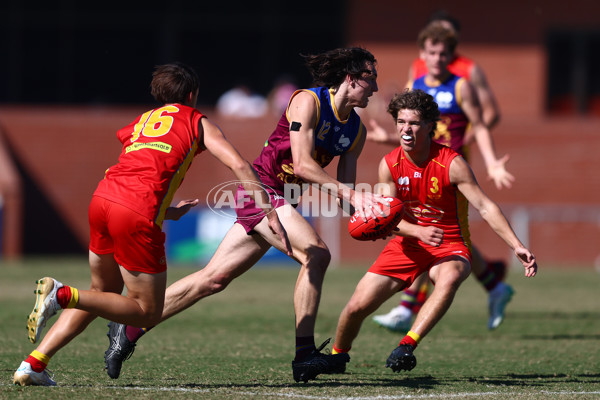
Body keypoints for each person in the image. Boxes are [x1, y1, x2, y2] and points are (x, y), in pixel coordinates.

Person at [103, 47, 386, 383]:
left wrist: (379, 217)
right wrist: (351, 194)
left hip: (286, 202)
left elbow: (345, 193)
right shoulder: (307, 101)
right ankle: (304, 355)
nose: (376, 88)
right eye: (371, 79)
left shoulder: (356, 131)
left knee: (212, 280)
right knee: (317, 255)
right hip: (261, 191)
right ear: (351, 79)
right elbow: (303, 165)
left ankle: (128, 327)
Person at [13, 62, 290, 386]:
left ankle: (33, 364)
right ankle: (60, 295)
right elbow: (239, 165)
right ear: (192, 94)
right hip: (135, 212)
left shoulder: (142, 121)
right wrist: (268, 209)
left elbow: (138, 167)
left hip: (102, 201)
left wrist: (165, 211)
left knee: (103, 292)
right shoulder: (197, 121)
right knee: (146, 311)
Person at [331, 89, 537, 374]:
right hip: (406, 245)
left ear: (430, 126)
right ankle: (335, 356)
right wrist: (416, 231)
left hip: (449, 244)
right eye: (401, 122)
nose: (406, 129)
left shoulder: (452, 163)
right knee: (356, 307)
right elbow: (387, 217)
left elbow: (485, 206)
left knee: (450, 276)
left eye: (414, 123)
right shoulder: (389, 164)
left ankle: (407, 344)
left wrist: (517, 245)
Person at [371, 21, 515, 332]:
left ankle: (407, 308)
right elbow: (410, 129)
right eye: (432, 52)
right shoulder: (417, 83)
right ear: (423, 53)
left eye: (444, 53)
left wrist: (491, 163)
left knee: (432, 233)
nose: (438, 58)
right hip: (420, 167)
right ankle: (493, 284)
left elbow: (482, 125)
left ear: (451, 55)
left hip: (450, 171)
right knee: (440, 237)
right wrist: (387, 139)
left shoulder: (462, 86)